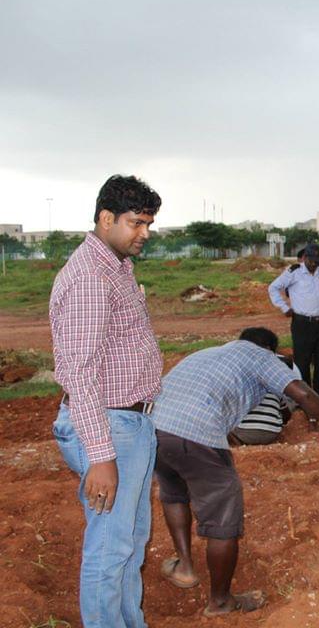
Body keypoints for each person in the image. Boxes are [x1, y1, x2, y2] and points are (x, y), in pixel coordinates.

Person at [152, 328, 319, 617]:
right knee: (222, 516)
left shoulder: (207, 353)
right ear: (270, 348)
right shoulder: (261, 356)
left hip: (155, 428)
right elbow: (302, 393)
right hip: (197, 434)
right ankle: (220, 602)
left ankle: (184, 567)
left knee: (173, 492)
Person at [49, 174, 163, 627]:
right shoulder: (91, 278)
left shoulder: (115, 268)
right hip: (109, 428)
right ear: (106, 218)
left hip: (130, 425)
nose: (145, 234)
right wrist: (101, 455)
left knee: (130, 542)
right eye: (137, 223)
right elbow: (77, 370)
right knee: (110, 547)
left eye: (149, 224)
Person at [268, 243, 319, 407]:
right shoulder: (294, 272)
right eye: (311, 260)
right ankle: (304, 399)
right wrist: (284, 307)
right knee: (302, 362)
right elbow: (273, 288)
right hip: (302, 323)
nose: (314, 264)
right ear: (305, 258)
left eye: (317, 260)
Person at [229, 354, 300, 446]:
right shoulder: (278, 388)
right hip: (271, 434)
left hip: (245, 433)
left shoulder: (244, 387)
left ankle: (239, 445)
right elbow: (285, 412)